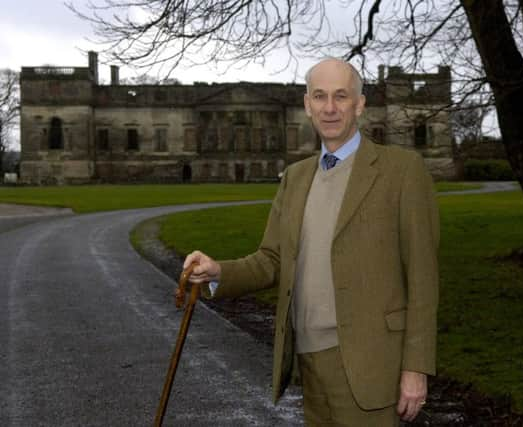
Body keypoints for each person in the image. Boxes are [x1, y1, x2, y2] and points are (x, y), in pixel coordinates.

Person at [183, 58, 439, 426]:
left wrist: (416, 367)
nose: (330, 108)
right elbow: (272, 259)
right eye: (320, 97)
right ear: (307, 105)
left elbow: (423, 277)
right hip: (308, 361)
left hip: (371, 363)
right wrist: (217, 271)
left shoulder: (402, 170)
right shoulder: (296, 177)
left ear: (360, 104)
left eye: (341, 96)